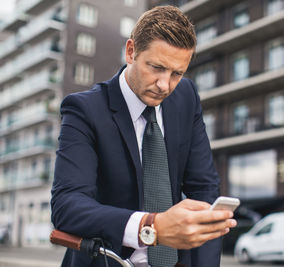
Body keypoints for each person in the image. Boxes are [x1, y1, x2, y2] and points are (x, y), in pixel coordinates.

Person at [51, 5, 236, 267]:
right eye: (157, 67)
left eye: (177, 73)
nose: (165, 85)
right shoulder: (84, 110)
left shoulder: (186, 96)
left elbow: (204, 188)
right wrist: (151, 227)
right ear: (131, 52)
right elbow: (66, 206)